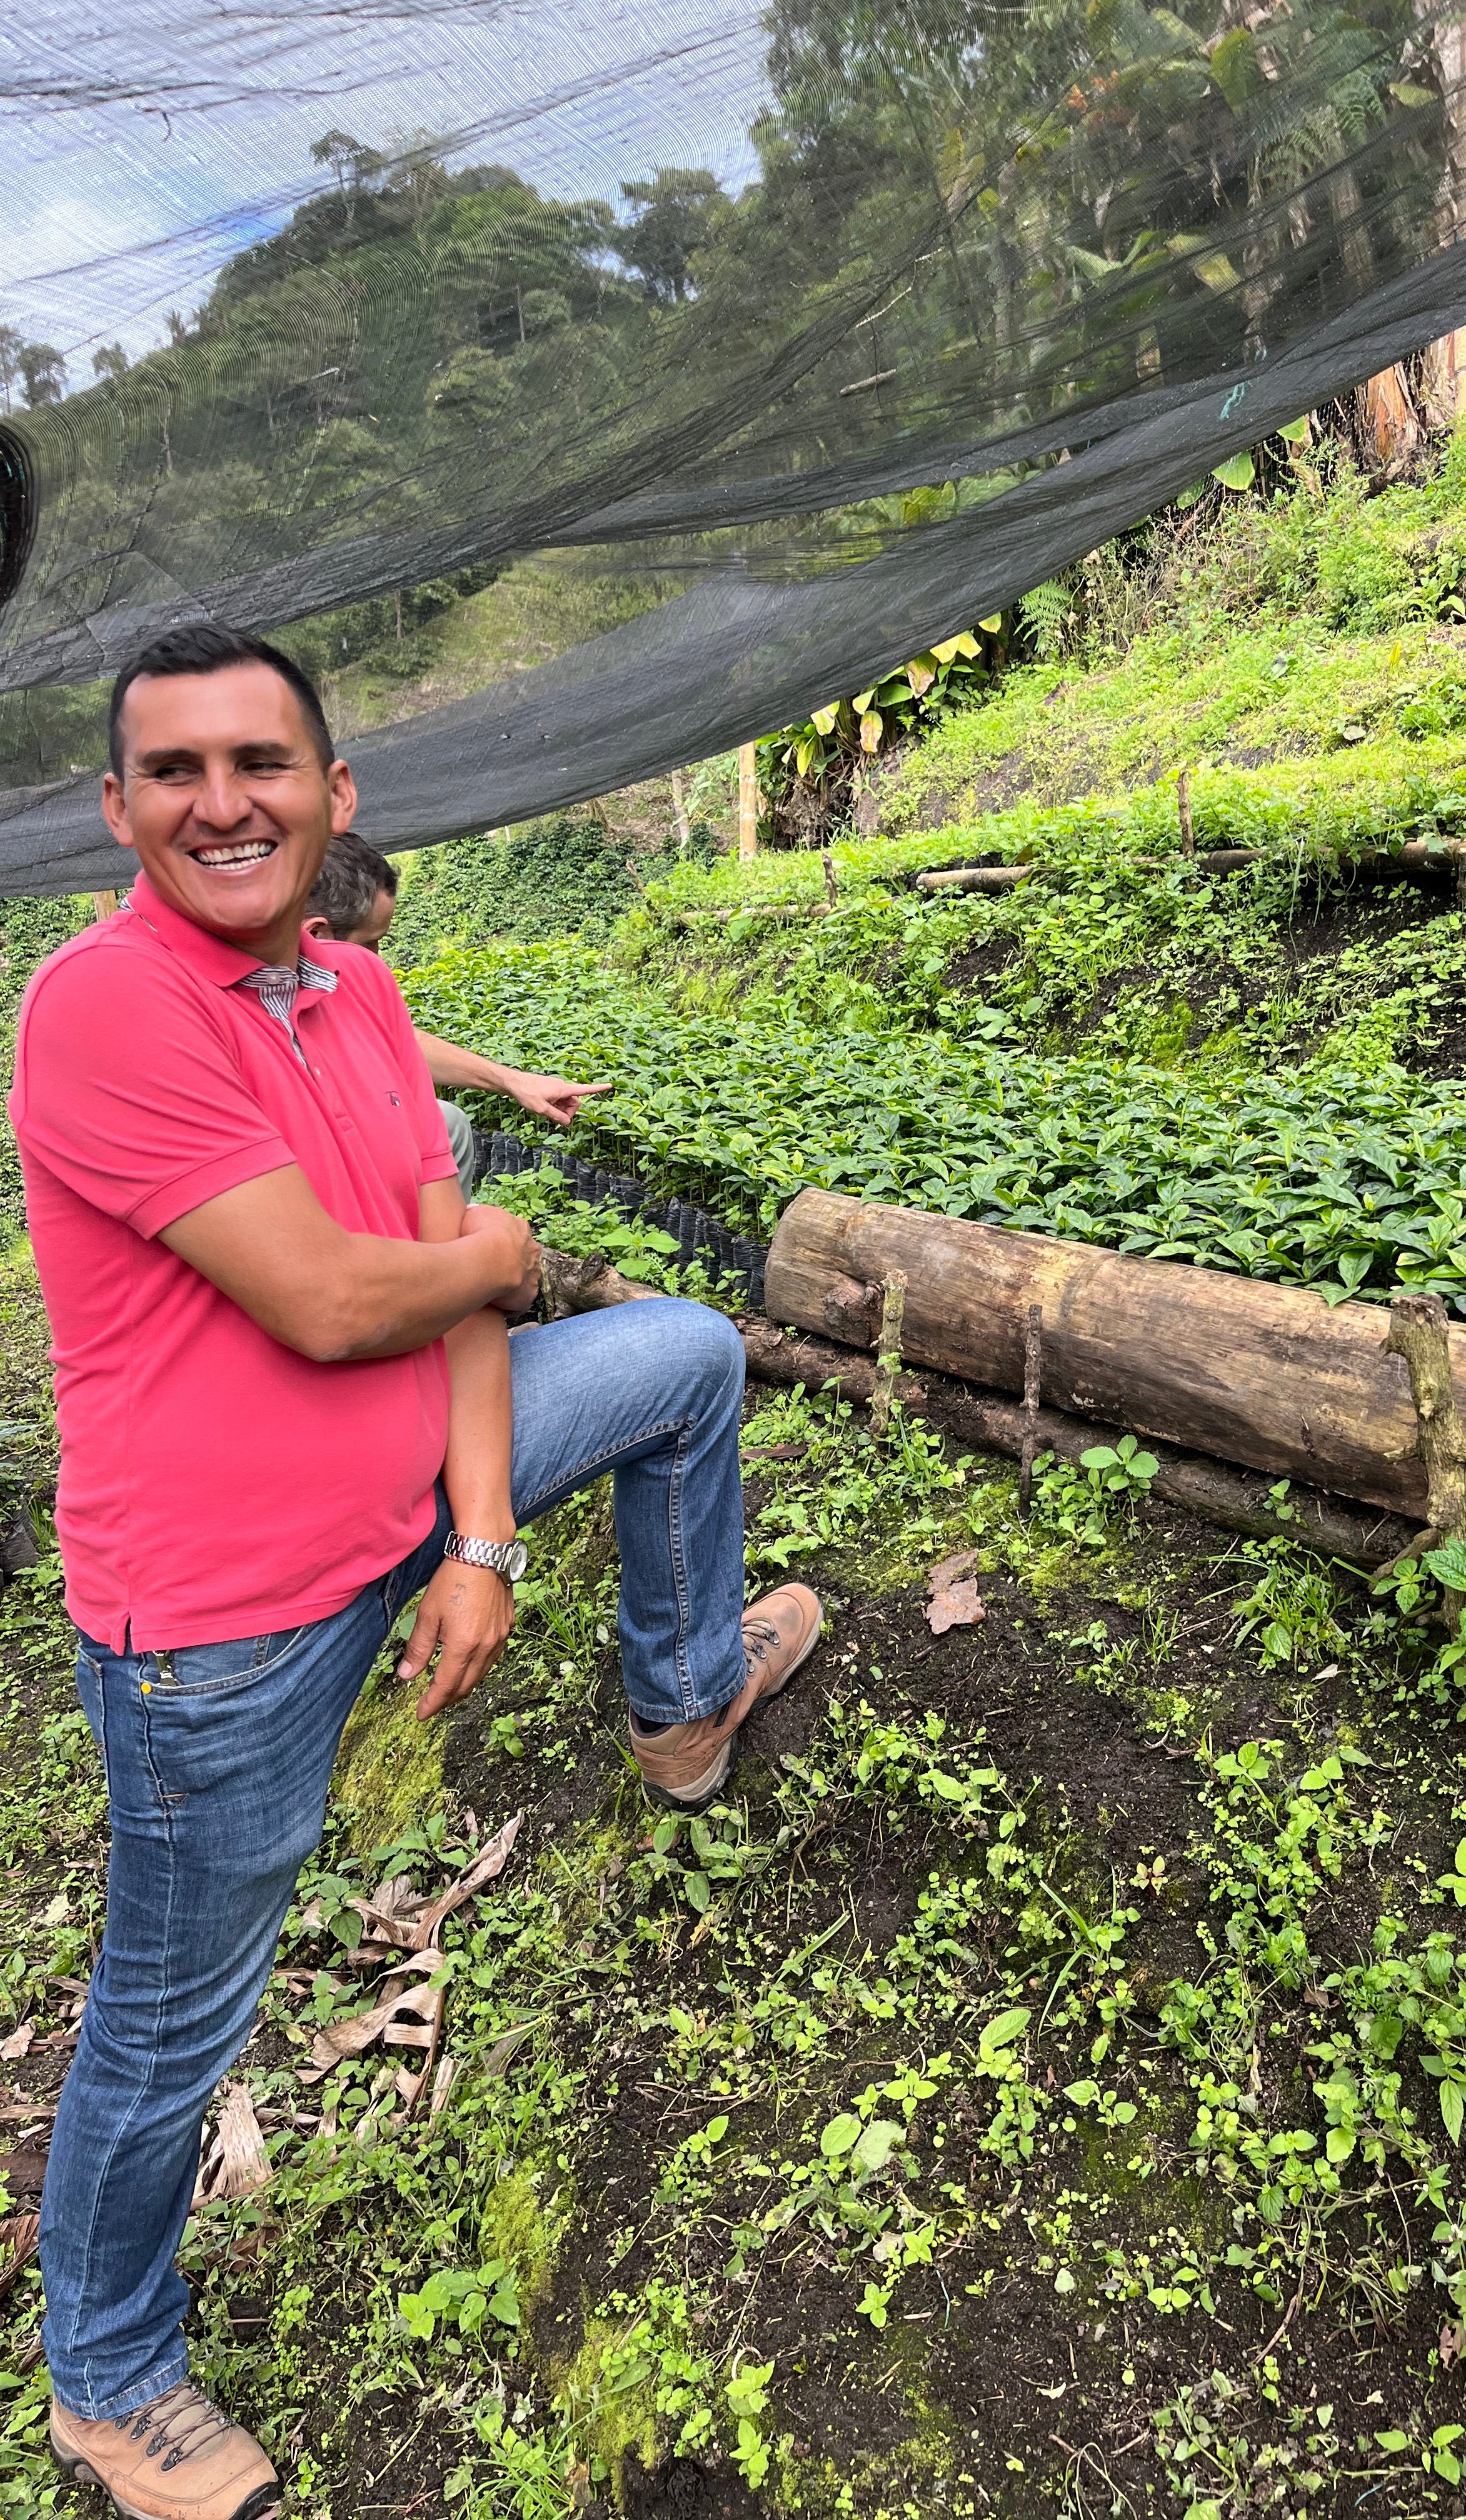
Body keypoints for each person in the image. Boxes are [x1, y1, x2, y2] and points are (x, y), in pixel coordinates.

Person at [11, 621, 821, 2520]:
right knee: (170, 2012)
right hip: (223, 1616)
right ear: (118, 807)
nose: (226, 801)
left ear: (334, 795)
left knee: (685, 1358)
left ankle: (682, 1701)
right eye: (178, 771)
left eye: (262, 763)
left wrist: (478, 1539)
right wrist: (503, 1256)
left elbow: (452, 1285)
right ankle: (110, 2381)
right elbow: (341, 1293)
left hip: (409, 1500)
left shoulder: (361, 1002)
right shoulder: (105, 1005)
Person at [303, 830, 606, 1195]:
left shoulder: (323, 976)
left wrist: (514, 1081)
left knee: (448, 1124)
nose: (378, 957)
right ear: (318, 934)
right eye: (371, 943)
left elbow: (398, 1041)